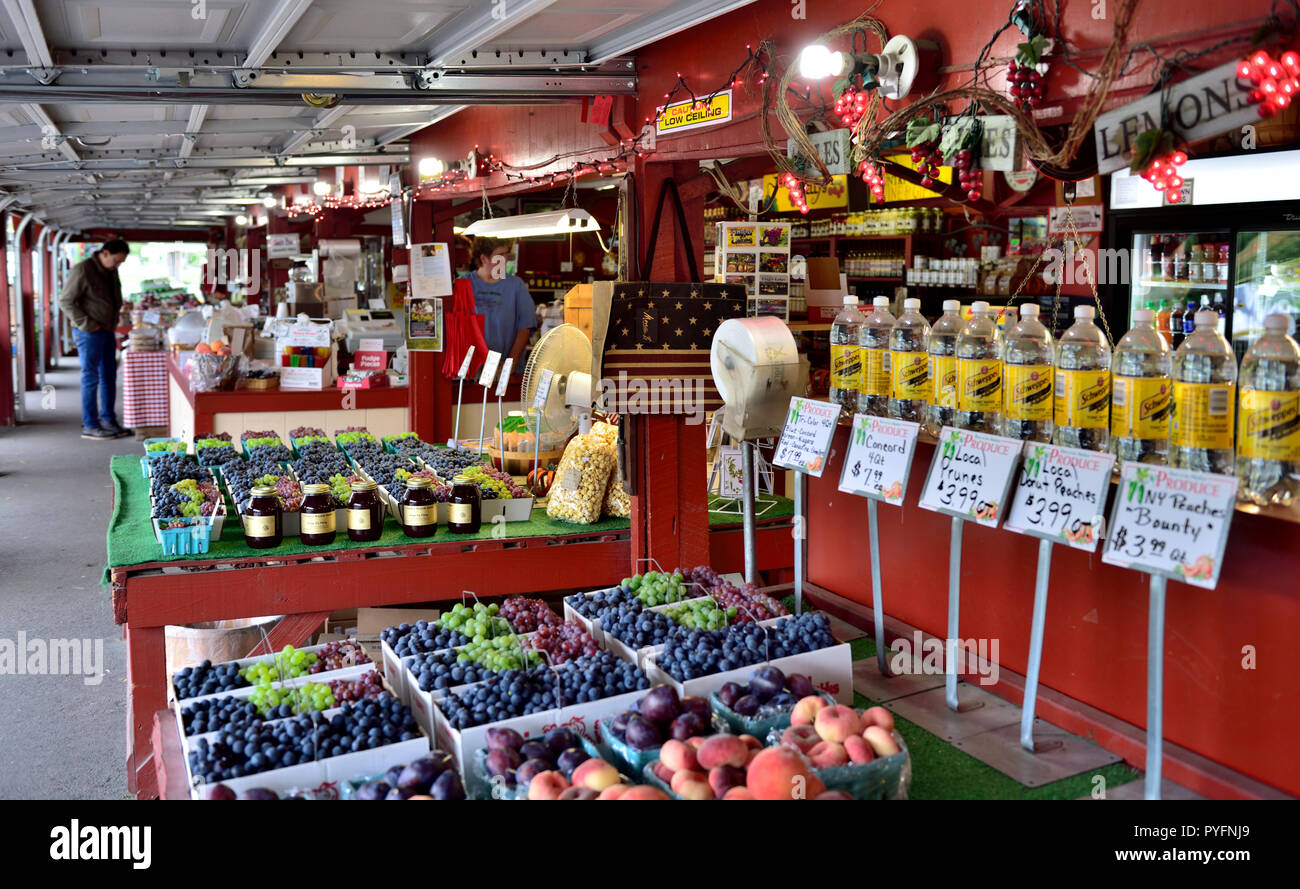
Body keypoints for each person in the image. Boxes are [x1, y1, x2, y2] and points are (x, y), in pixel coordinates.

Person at [59, 239, 131, 440]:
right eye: (116, 260)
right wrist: (88, 324)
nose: (117, 265)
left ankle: (108, 420)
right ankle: (90, 424)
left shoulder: (111, 270)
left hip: (107, 330)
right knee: (91, 377)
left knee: (109, 376)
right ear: (105, 253)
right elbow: (65, 301)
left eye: (120, 263)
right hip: (89, 332)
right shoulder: (83, 270)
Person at [463, 237, 536, 371]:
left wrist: (510, 364)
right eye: (500, 255)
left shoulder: (516, 286)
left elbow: (525, 327)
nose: (506, 259)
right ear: (484, 258)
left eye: (506, 254)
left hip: (506, 371)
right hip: (471, 370)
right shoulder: (463, 284)